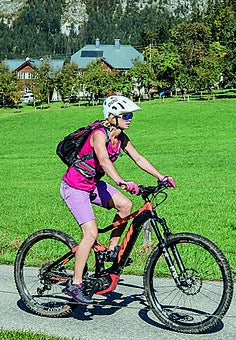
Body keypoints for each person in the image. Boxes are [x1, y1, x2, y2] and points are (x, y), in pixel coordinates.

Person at [60, 94, 175, 304]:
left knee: (126, 204)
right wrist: (121, 181)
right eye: (126, 115)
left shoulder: (121, 137)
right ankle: (75, 284)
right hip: (75, 187)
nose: (130, 118)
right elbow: (103, 161)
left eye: (130, 115)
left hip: (93, 184)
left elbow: (138, 158)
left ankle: (112, 249)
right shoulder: (98, 135)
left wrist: (161, 176)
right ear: (112, 116)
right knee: (91, 233)